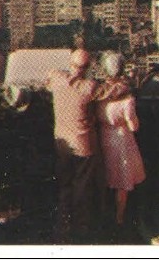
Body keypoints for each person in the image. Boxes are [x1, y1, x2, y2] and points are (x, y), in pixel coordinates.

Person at [45, 42, 128, 243]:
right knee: (82, 188)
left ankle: (63, 226)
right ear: (89, 67)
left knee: (65, 184)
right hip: (83, 144)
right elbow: (114, 91)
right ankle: (81, 230)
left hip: (62, 142)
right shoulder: (88, 87)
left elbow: (48, 81)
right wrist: (125, 82)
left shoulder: (57, 78)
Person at [96, 52, 145, 228]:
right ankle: (119, 217)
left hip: (104, 136)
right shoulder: (127, 99)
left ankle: (102, 212)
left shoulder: (99, 94)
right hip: (122, 139)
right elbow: (133, 126)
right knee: (122, 181)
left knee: (107, 175)